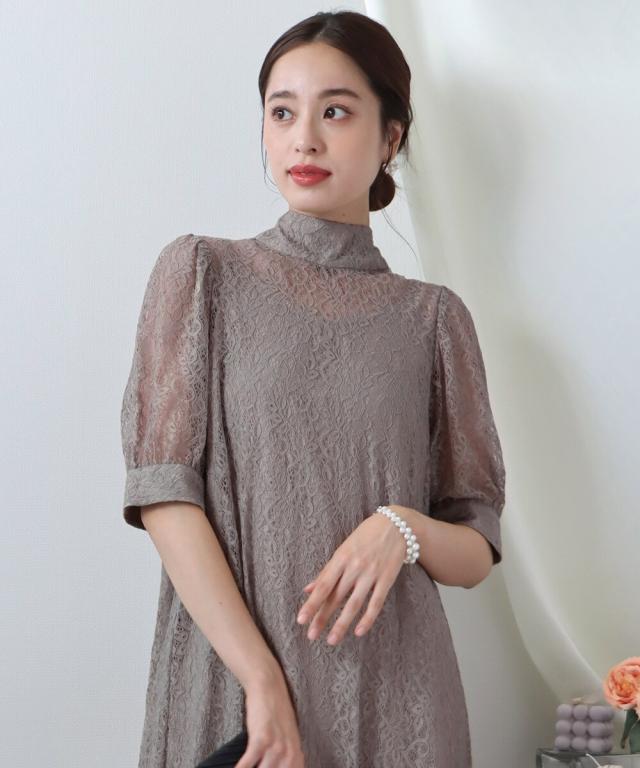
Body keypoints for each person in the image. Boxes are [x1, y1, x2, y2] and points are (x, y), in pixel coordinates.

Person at [120, 10, 506, 768]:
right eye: (282, 112)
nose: (304, 139)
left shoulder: (433, 319)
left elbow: (477, 546)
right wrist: (262, 682)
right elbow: (164, 496)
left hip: (399, 702)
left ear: (391, 137)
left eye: (335, 111)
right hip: (238, 695)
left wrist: (402, 527)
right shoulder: (201, 275)